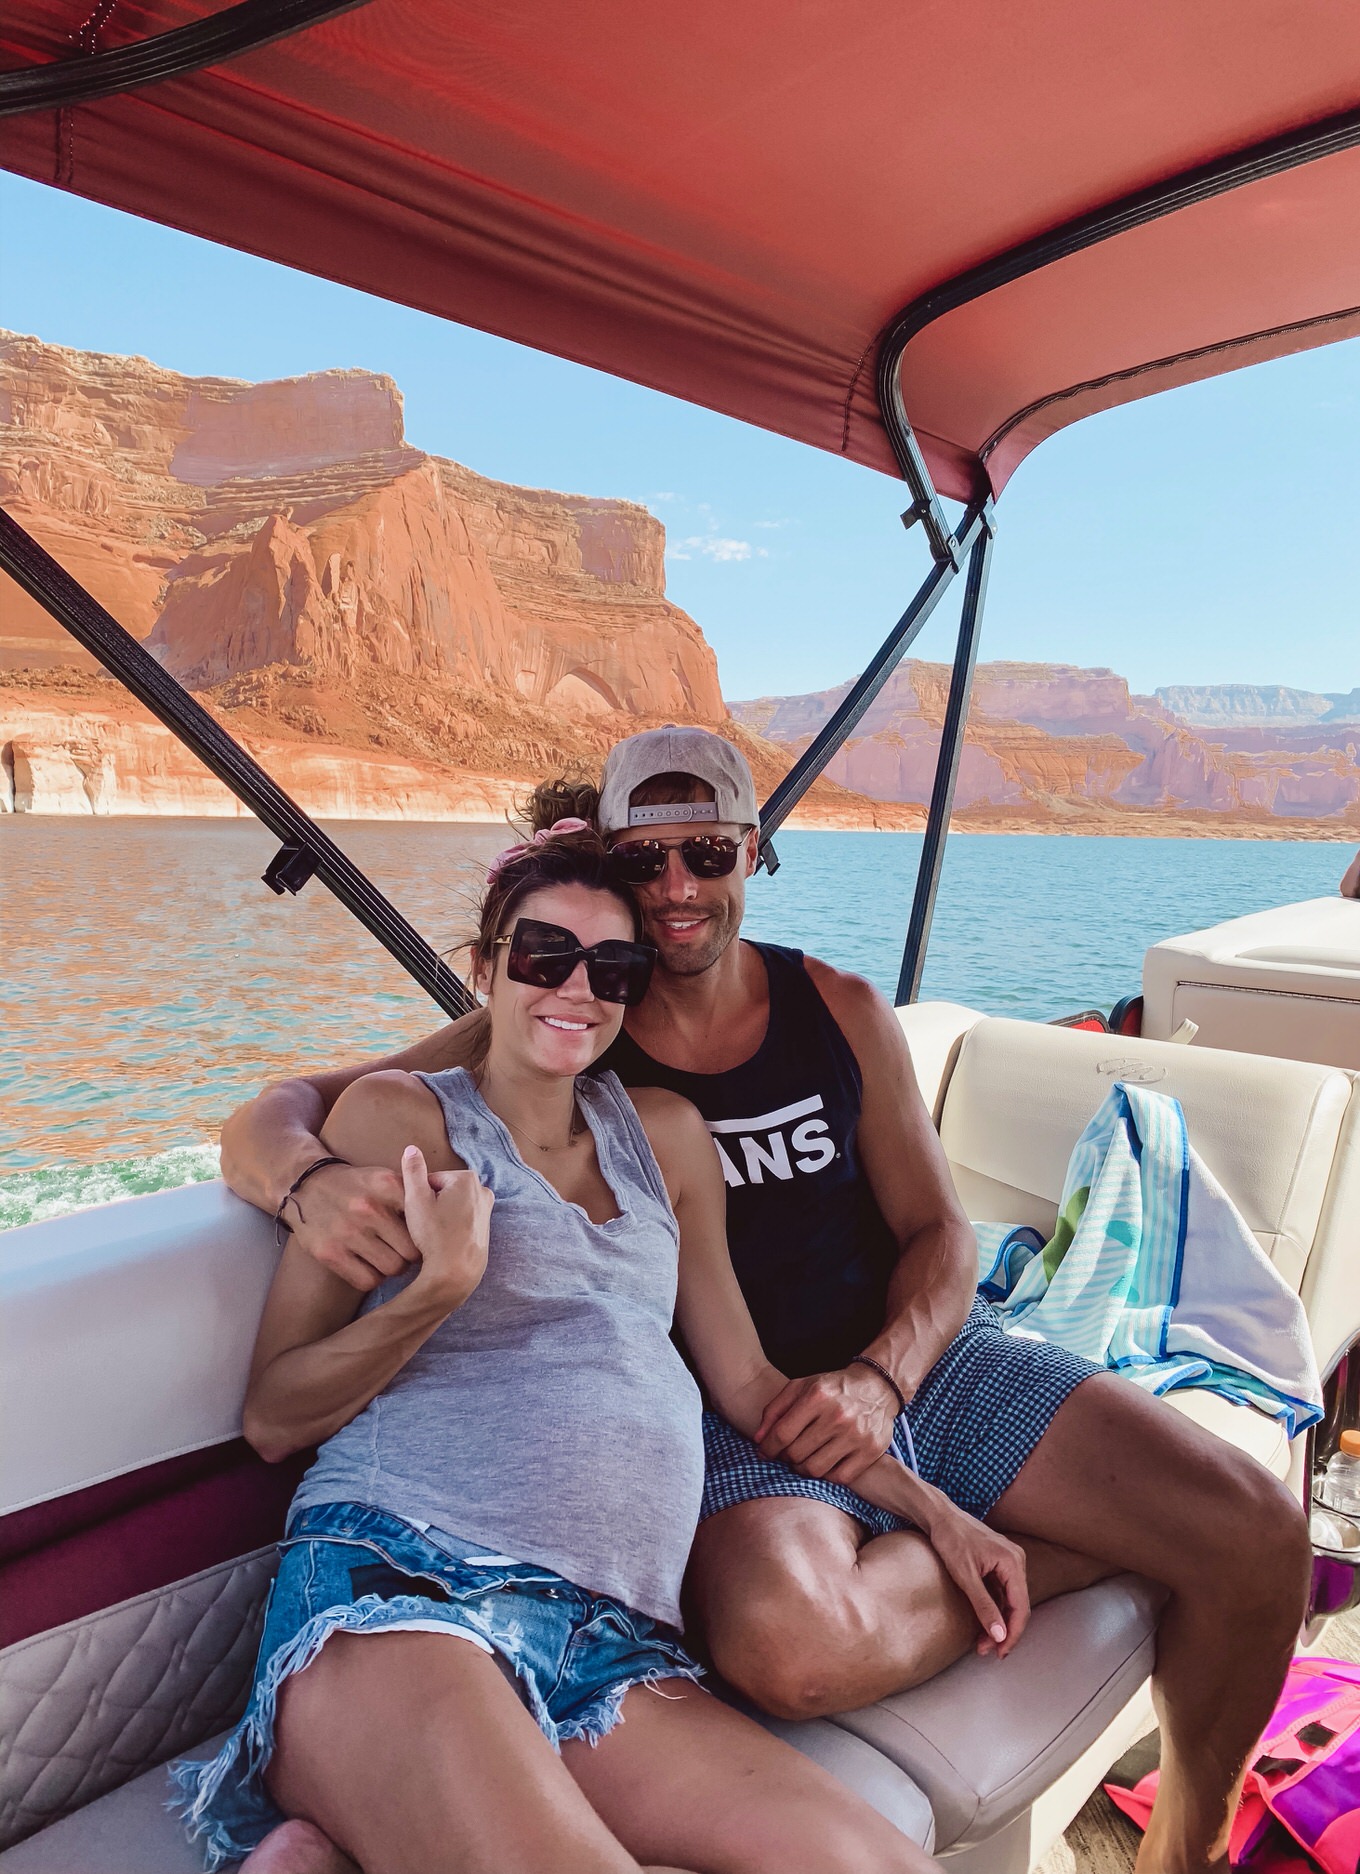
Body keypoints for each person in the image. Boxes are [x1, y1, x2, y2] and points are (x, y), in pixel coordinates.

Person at [222, 729, 1313, 1874]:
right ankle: (1064, 1547)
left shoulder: (819, 1013)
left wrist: (885, 1378)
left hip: (907, 1371)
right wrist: (307, 1184)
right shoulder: (571, 1009)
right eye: (646, 862)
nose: (677, 887)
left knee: (1253, 1527)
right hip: (692, 1445)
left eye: (707, 851)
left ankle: (1186, 1852)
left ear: (754, 851)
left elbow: (941, 1232)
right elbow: (291, 1107)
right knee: (790, 1644)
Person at [182, 822, 994, 1874]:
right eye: (541, 954)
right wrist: (431, 1291)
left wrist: (939, 1511)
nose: (576, 985)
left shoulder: (663, 1134)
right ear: (485, 967)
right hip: (405, 1591)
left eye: (611, 964)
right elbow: (273, 1414)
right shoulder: (402, 1119)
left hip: (608, 1648)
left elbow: (750, 1386)